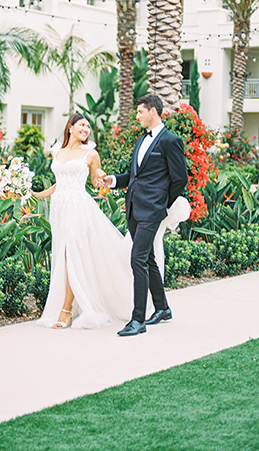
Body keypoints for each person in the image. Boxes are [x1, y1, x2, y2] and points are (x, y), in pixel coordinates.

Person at [33, 113, 133, 329]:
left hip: (79, 207)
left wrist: (101, 177)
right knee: (63, 253)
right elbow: (60, 182)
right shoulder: (57, 151)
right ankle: (67, 305)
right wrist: (38, 195)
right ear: (70, 127)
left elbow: (96, 174)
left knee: (70, 254)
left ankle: (66, 310)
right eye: (82, 125)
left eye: (88, 126)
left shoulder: (91, 153)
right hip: (59, 207)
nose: (86, 128)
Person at [103, 94, 188, 337]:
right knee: (148, 259)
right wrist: (113, 181)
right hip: (133, 207)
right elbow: (135, 176)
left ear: (153, 111)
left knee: (137, 258)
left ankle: (137, 320)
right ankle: (162, 308)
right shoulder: (141, 140)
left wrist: (162, 203)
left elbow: (180, 178)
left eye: (140, 111)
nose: (137, 116)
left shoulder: (171, 141)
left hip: (151, 210)